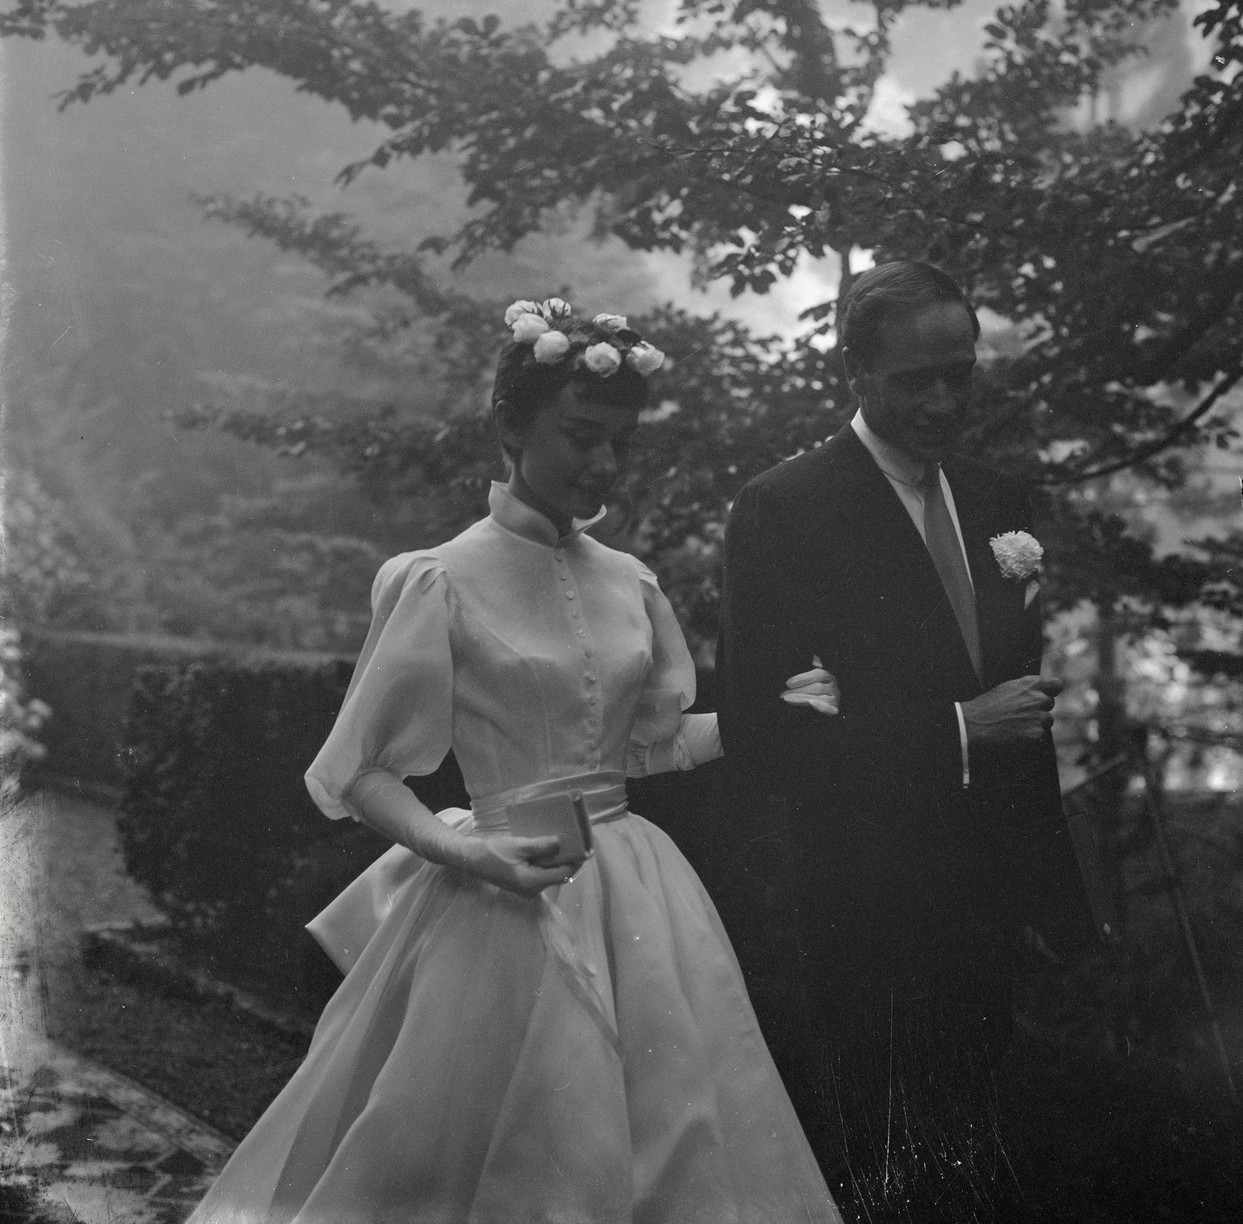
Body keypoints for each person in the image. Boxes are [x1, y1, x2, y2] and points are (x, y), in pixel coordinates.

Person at [186, 299, 844, 1224]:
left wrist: (755, 721)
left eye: (620, 441)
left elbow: (645, 748)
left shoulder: (631, 582)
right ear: (508, 426)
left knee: (666, 1142)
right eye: (581, 436)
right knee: (470, 1155)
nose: (603, 463)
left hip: (638, 898)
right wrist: (468, 854)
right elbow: (361, 772)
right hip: (495, 893)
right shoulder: (439, 579)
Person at [717, 260, 1093, 1221]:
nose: (940, 400)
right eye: (912, 380)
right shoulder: (786, 507)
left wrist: (1057, 902)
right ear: (854, 370)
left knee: (992, 1173)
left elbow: (1028, 714)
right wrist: (958, 728)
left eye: (957, 373)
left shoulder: (999, 499)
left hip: (991, 903)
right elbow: (765, 738)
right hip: (866, 910)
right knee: (893, 1183)